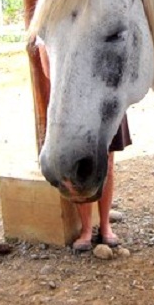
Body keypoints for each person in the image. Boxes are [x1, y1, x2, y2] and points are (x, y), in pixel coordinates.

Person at [35, 37, 132, 251]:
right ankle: (86, 230)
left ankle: (105, 226)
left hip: (105, 99)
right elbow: (50, 70)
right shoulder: (53, 25)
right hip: (73, 103)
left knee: (107, 164)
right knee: (76, 167)